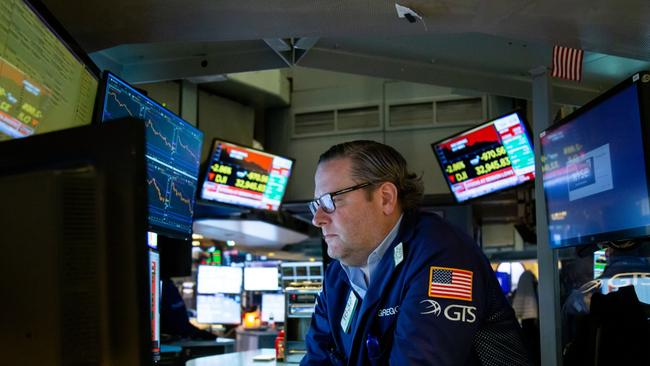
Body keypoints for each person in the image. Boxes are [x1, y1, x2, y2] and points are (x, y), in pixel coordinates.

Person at [302, 140, 530, 365]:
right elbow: (316, 358)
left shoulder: (444, 256)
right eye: (316, 205)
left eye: (331, 201)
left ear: (386, 198)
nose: (317, 218)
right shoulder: (337, 277)